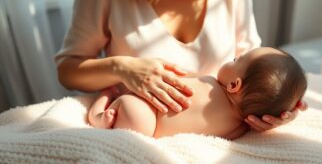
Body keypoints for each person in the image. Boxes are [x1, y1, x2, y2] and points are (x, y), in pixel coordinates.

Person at [55, 0, 307, 133]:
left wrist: (271, 110)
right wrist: (121, 67)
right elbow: (68, 69)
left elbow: (258, 68)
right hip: (134, 115)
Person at [87, 47, 307, 139]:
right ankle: (107, 110)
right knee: (133, 119)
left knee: (127, 105)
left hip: (145, 112)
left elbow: (180, 83)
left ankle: (100, 109)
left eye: (235, 60)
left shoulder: (210, 83)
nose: (232, 59)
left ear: (234, 85)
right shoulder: (239, 128)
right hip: (150, 127)